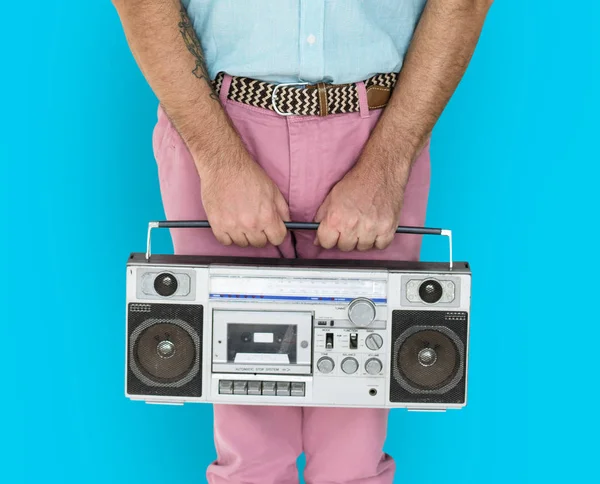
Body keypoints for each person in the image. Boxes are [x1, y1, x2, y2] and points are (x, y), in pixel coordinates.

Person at [112, 0, 493, 482]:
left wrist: (389, 164)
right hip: (217, 125)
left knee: (353, 444)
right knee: (249, 448)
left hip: (379, 131)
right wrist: (219, 160)